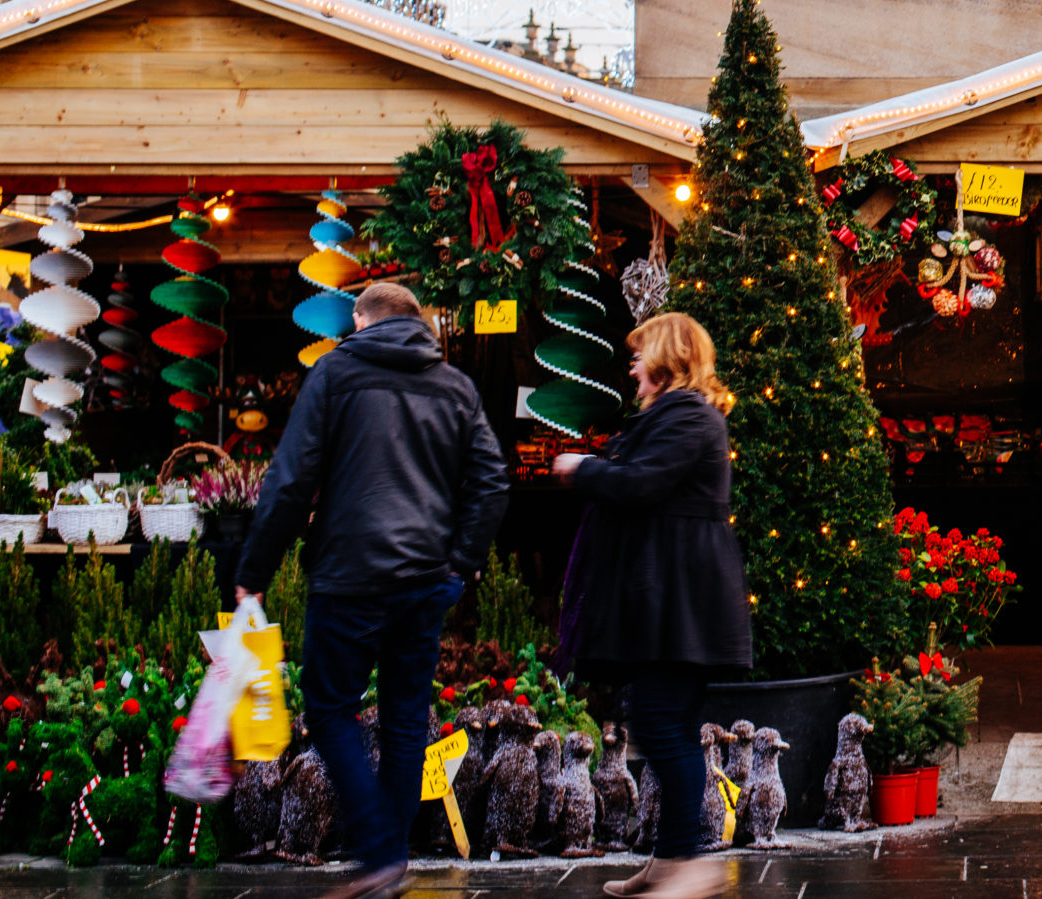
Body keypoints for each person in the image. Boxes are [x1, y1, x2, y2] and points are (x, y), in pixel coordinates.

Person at [236, 281, 508, 899]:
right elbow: (492, 482)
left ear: (361, 320)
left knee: (330, 709)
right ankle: (392, 854)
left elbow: (289, 479)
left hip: (348, 577)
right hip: (423, 582)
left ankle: (381, 853)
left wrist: (254, 570)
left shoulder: (336, 374)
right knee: (406, 716)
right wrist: (460, 565)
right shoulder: (455, 386)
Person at [555, 314, 751, 899]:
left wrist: (583, 468)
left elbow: (642, 483)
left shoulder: (689, 415)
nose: (633, 367)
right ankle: (670, 862)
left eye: (640, 356)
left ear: (666, 358)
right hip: (674, 594)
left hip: (681, 597)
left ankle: (689, 864)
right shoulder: (682, 416)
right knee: (664, 721)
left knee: (662, 724)